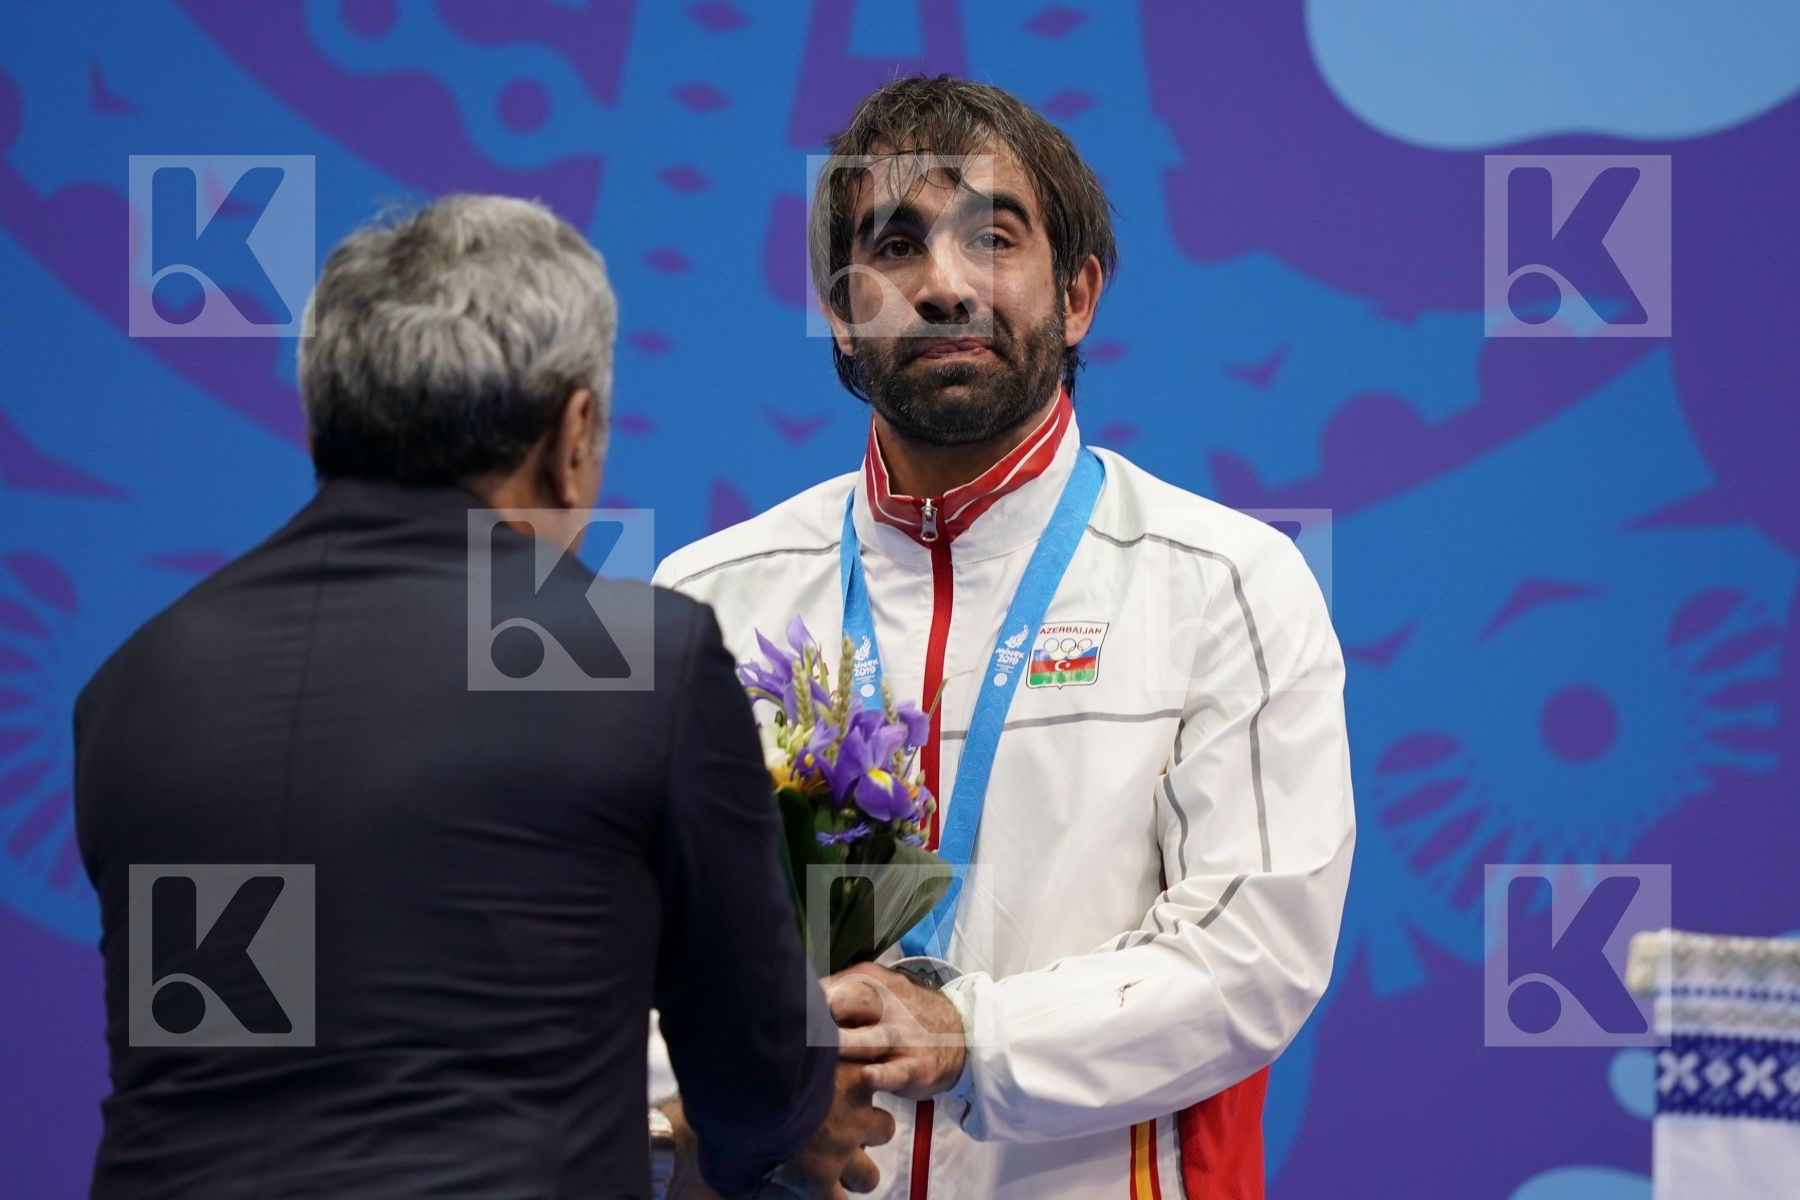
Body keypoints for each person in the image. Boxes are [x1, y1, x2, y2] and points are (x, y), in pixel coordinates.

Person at [73, 195, 873, 1199]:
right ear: (572, 432)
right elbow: (756, 1073)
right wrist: (767, 1130)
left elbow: (263, 1058)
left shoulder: (139, 680)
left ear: (329, 417)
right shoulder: (635, 657)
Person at [652, 78, 1356, 1198]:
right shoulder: (703, 602)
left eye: (993, 236)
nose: (942, 285)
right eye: (894, 246)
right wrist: (746, 1093)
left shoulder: (1225, 584)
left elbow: (1255, 953)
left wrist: (971, 1032)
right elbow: (609, 960)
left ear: (1076, 296)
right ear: (840, 310)